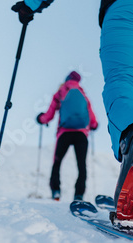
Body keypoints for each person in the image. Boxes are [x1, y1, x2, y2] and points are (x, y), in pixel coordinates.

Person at [13, 0, 133, 227]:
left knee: (123, 79)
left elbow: (51, 111)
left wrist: (31, 4)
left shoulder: (63, 90)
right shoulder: (81, 93)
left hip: (127, 6)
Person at [36, 71, 98, 201]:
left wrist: (41, 119)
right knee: (81, 165)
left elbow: (49, 115)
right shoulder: (83, 94)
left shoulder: (60, 92)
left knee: (57, 163)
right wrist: (94, 125)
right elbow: (92, 118)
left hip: (65, 133)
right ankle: (79, 195)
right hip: (81, 134)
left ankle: (56, 191)